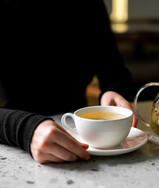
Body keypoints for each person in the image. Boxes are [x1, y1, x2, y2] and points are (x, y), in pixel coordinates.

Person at [1, 0, 137, 164]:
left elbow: (115, 72)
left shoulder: (90, 4)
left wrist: (114, 91)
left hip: (81, 136)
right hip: (12, 141)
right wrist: (24, 129)